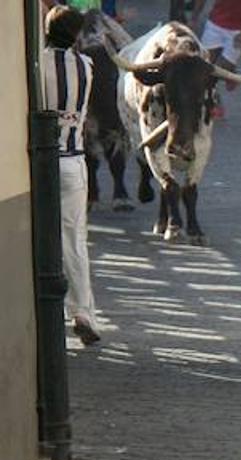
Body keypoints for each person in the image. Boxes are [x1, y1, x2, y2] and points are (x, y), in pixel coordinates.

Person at [41, 6, 102, 347]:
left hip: (38, 162)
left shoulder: (37, 66)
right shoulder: (87, 67)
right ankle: (83, 313)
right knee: (74, 240)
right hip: (73, 162)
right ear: (77, 35)